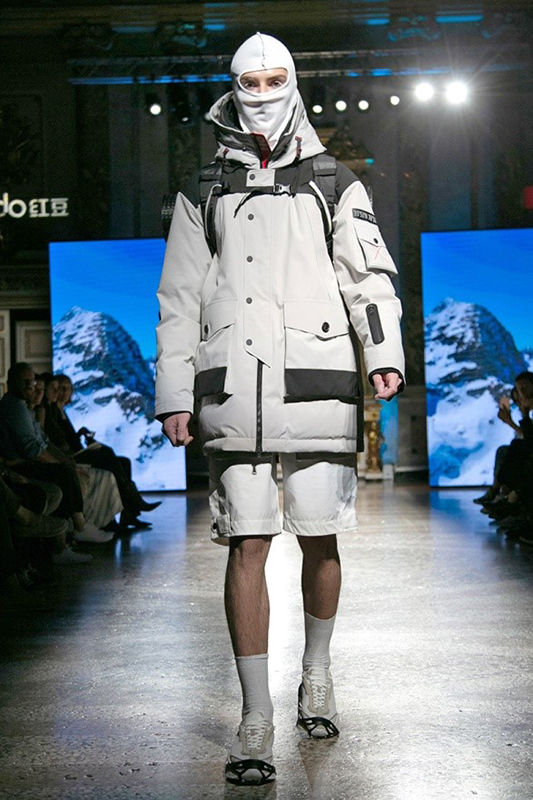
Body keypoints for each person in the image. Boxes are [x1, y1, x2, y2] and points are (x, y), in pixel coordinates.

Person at [156, 32, 404, 785]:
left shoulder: (333, 180)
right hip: (234, 389)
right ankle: (255, 715)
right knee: (247, 545)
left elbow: (368, 277)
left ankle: (317, 675)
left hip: (317, 378)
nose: (262, 93)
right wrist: (173, 393)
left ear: (292, 83)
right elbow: (178, 299)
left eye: (274, 80)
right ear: (232, 89)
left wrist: (384, 353)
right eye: (250, 81)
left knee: (321, 539)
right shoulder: (203, 188)